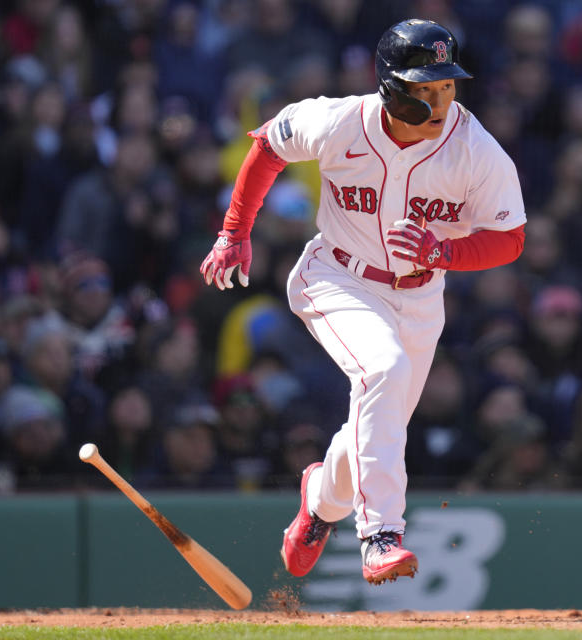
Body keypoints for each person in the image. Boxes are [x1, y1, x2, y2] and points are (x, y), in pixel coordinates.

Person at [199, 19, 526, 585]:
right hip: (337, 278)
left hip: (420, 298)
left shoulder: (475, 150)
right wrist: (235, 231)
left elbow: (510, 238)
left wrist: (445, 251)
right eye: (426, 88)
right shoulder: (339, 121)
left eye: (447, 85)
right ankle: (381, 535)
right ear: (392, 87)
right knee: (384, 370)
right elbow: (269, 146)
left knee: (376, 424)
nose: (442, 99)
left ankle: (321, 500)